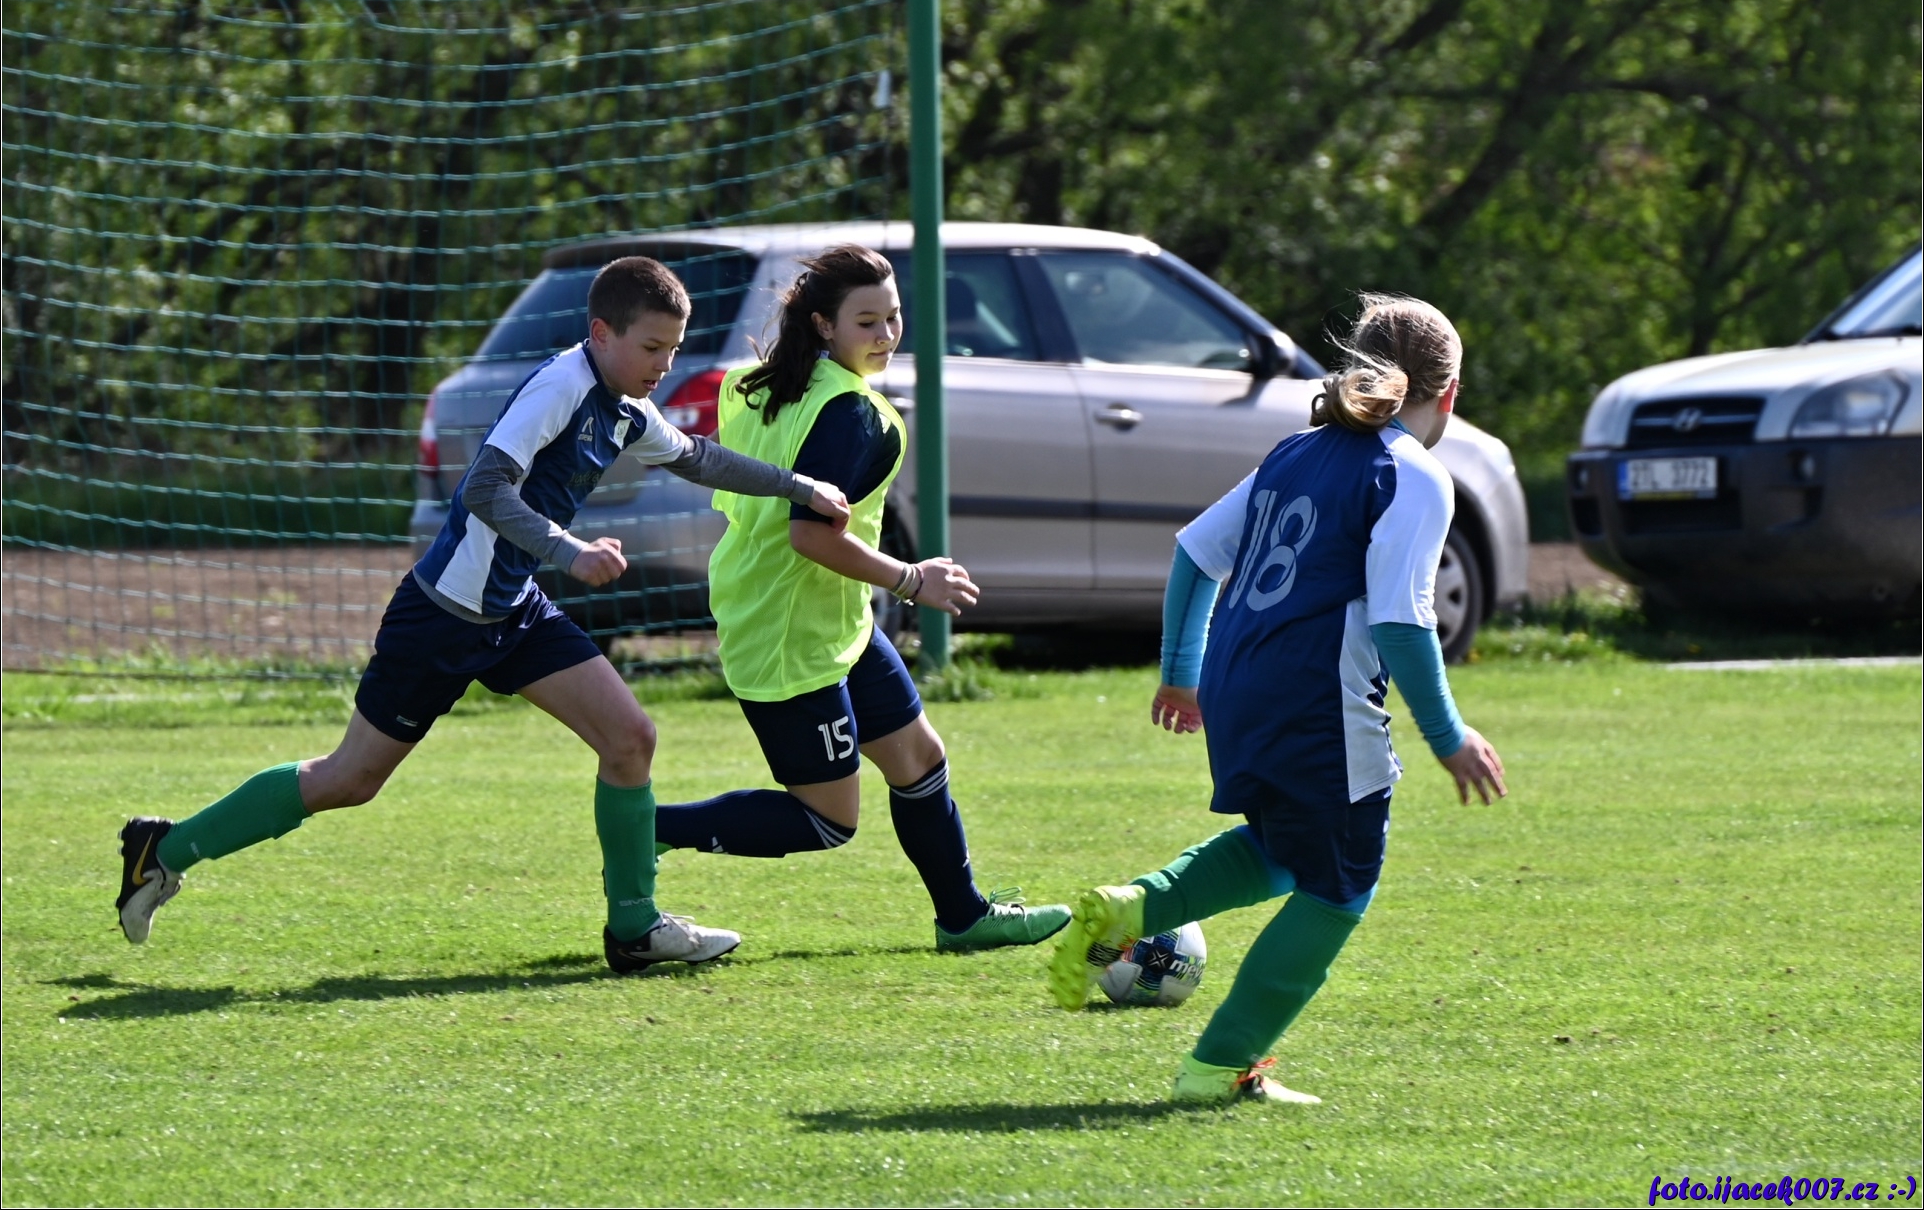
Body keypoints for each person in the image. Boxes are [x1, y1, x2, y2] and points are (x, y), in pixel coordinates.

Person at [116, 256, 853, 975]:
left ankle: (635, 928)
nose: (664, 365)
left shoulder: (626, 405)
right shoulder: (561, 387)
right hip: (443, 617)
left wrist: (799, 486)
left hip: (514, 611)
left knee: (630, 737)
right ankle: (163, 850)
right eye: (652, 347)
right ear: (602, 334)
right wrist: (568, 551)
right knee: (349, 779)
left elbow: (696, 457)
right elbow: (484, 489)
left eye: (675, 349)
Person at [1045, 294, 1508, 1104]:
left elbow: (1195, 553)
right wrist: (1448, 735)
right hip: (1315, 697)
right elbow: (1402, 622)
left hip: (1237, 681)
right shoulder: (1413, 474)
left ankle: (1132, 909)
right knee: (1341, 886)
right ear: (1450, 393)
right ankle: (1220, 1067)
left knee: (1287, 848)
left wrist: (1181, 671)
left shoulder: (1296, 451)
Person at [652, 244, 1070, 952]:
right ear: (824, 325)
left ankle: (964, 917)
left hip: (829, 617)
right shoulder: (853, 414)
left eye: (893, 317)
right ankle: (647, 827)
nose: (886, 335)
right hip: (790, 631)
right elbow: (809, 537)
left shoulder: (756, 383)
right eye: (867, 322)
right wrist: (912, 579)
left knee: (920, 758)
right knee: (828, 820)